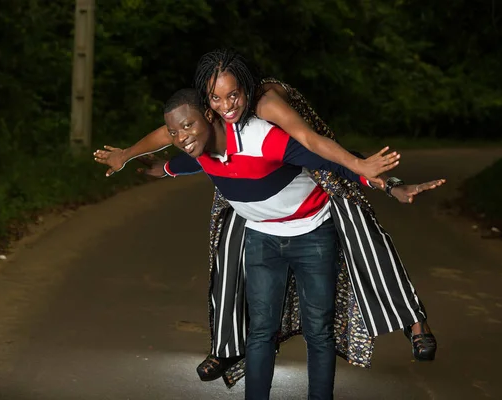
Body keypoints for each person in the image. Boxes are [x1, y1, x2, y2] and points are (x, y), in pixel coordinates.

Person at [94, 49, 440, 386]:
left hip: (313, 187)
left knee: (359, 235)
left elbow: (313, 142)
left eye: (233, 96)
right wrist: (129, 155)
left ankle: (413, 322)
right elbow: (174, 134)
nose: (226, 105)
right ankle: (225, 348)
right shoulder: (200, 127)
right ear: (206, 104)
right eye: (216, 99)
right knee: (229, 261)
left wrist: (377, 176)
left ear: (244, 89)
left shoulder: (266, 110)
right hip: (260, 225)